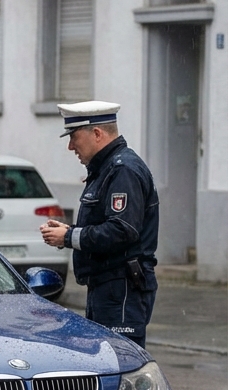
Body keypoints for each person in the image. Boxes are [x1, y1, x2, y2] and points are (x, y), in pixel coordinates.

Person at [39, 100, 160, 347]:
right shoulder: (107, 169)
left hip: (122, 290)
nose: (70, 146)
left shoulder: (122, 170)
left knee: (119, 361)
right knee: (103, 362)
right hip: (108, 288)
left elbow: (122, 230)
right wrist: (69, 232)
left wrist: (69, 236)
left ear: (97, 133)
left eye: (74, 137)